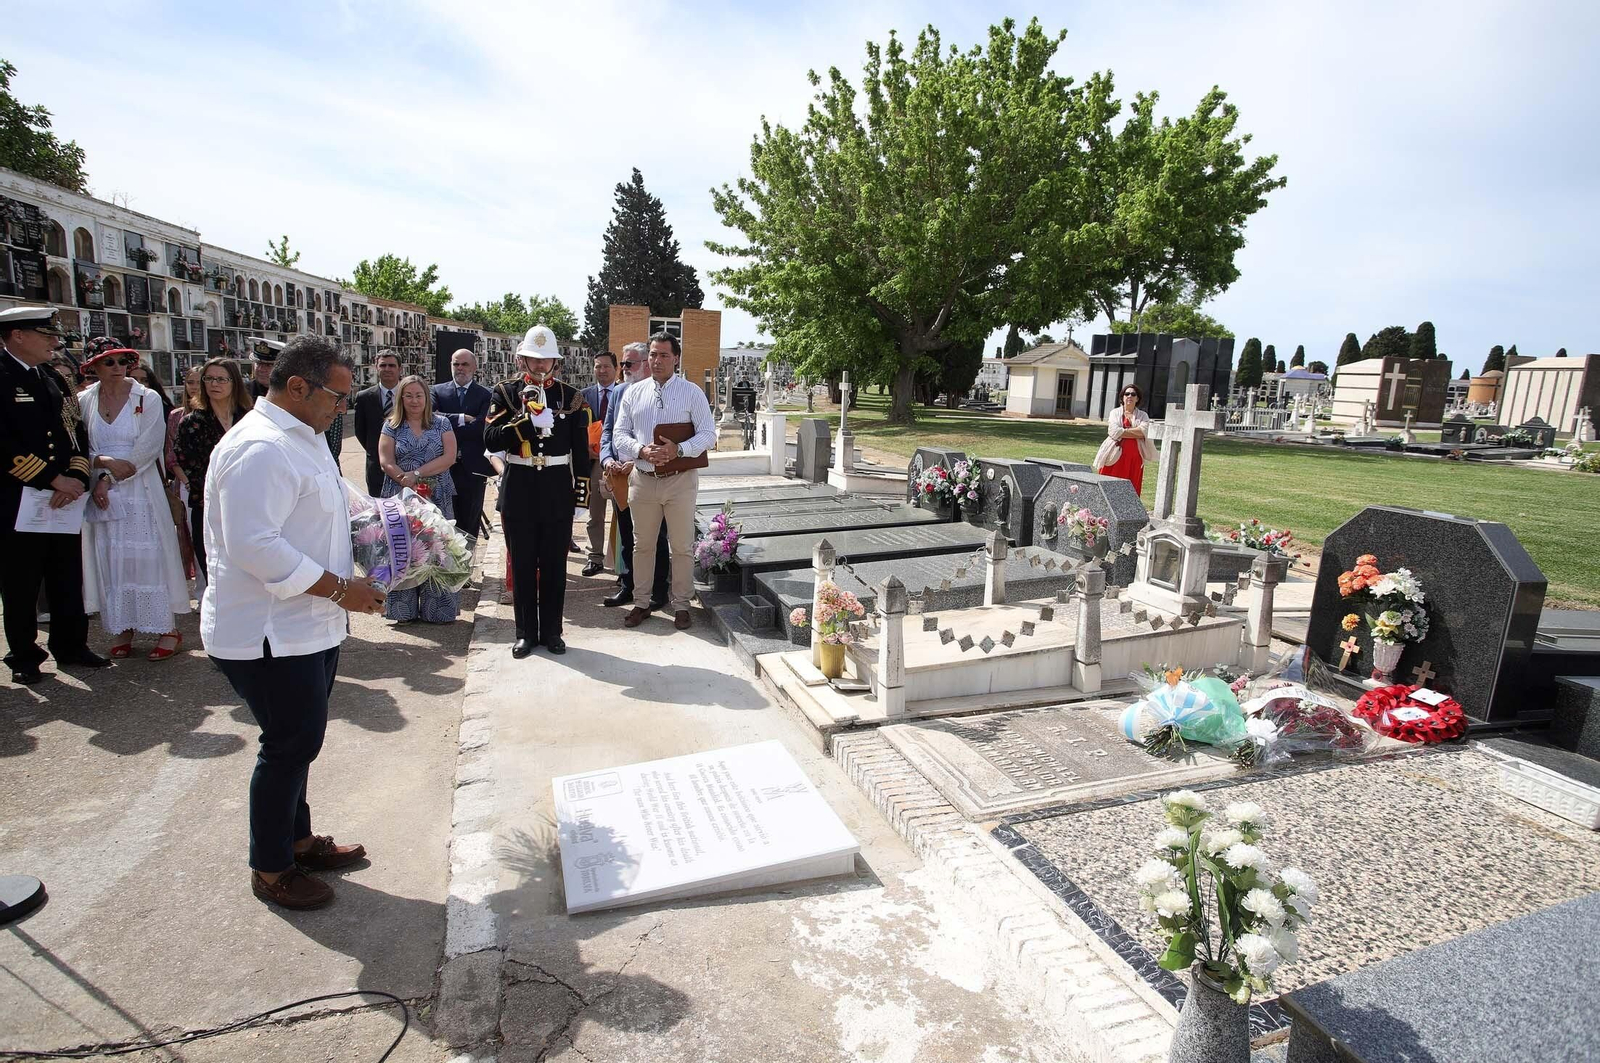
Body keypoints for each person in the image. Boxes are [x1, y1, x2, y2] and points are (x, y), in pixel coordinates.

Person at [201, 335, 386, 910]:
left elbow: (327, 508)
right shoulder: (259, 448)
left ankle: (297, 838)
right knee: (288, 744)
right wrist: (340, 589)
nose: (343, 408)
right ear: (298, 386)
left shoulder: (304, 438)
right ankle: (272, 866)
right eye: (337, 396)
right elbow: (255, 547)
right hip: (267, 631)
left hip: (309, 625)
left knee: (301, 741)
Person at [0, 306, 109, 685]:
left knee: (66, 575)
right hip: (18, 498)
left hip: (64, 497)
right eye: (45, 334)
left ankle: (71, 645)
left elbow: (73, 431)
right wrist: (51, 479)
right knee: (21, 581)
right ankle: (24, 656)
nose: (54, 342)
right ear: (17, 335)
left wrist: (76, 476)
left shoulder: (51, 377)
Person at [78, 341, 191, 660]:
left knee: (148, 558)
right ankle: (123, 625)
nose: (116, 368)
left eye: (121, 361)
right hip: (101, 493)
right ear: (93, 368)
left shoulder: (148, 397)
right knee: (113, 560)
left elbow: (148, 446)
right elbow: (78, 444)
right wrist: (101, 467)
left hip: (139, 490)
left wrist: (110, 476)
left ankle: (166, 628)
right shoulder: (84, 400)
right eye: (108, 362)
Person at [483, 325, 590, 658]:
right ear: (521, 359)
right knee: (524, 564)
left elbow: (581, 452)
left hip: (557, 486)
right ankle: (525, 633)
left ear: (556, 363)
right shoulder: (505, 391)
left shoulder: (571, 396)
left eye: (546, 361)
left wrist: (581, 498)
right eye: (534, 360)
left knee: (555, 566)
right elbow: (490, 439)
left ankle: (553, 632)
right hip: (520, 486)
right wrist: (528, 426)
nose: (540, 367)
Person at [612, 331, 716, 631]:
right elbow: (620, 434)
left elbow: (708, 433)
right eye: (653, 355)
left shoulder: (692, 392)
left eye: (664, 355)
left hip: (680, 480)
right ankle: (642, 602)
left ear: (676, 358)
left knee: (681, 546)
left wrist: (678, 449)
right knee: (642, 545)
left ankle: (681, 605)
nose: (657, 361)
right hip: (643, 479)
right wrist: (641, 449)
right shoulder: (633, 392)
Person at [378, 375, 459, 624]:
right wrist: (404, 479)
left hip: (436, 495)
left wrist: (417, 474)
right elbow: (385, 460)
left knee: (436, 550)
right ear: (401, 398)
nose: (414, 400)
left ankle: (438, 610)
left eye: (419, 395)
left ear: (427, 398)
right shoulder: (391, 425)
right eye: (409, 395)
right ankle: (403, 610)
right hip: (400, 496)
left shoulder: (442, 423)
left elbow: (450, 457)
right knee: (403, 550)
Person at [600, 343, 669, 611]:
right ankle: (628, 586)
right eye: (623, 364)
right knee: (628, 535)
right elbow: (608, 432)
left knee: (655, 536)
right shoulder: (618, 393)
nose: (624, 369)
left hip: (649, 475)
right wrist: (608, 460)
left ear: (645, 363)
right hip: (620, 477)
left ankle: (658, 590)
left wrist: (635, 460)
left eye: (630, 364)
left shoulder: (659, 393)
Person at [174, 357, 253, 582]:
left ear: (234, 383)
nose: (214, 384)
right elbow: (190, 464)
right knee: (217, 575)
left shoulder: (250, 418)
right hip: (211, 508)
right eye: (209, 379)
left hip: (250, 507)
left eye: (221, 379)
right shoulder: (192, 422)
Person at [432, 349, 494, 542]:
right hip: (441, 468)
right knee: (442, 521)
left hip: (472, 469)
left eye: (464, 364)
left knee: (469, 521)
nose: (459, 368)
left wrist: (446, 426)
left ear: (474, 367)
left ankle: (466, 567)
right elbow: (430, 419)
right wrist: (461, 418)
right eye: (455, 364)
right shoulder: (436, 391)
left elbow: (480, 428)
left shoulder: (486, 395)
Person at [579, 351, 622, 577]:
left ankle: (622, 561)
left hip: (620, 462)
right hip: (594, 463)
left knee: (622, 512)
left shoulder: (626, 394)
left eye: (606, 366)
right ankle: (594, 556)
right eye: (598, 367)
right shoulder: (583, 396)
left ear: (616, 369)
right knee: (595, 513)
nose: (602, 371)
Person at [353, 350, 402, 497]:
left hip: (407, 467)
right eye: (383, 365)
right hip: (376, 469)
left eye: (392, 365)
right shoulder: (364, 397)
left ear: (400, 369)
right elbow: (360, 431)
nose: (387, 369)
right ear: (376, 367)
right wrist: (377, 451)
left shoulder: (410, 395)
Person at [1093, 383, 1157, 495]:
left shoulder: (1143, 415)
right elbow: (1113, 431)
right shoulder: (1115, 413)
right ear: (1122, 397)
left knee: (1131, 488)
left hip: (1135, 458)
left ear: (1137, 398)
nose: (1130, 396)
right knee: (1109, 485)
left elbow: (1145, 431)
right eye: (1127, 394)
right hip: (1114, 455)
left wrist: (1122, 431)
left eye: (1133, 394)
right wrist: (1136, 432)